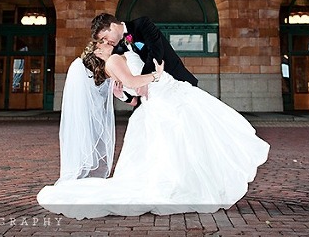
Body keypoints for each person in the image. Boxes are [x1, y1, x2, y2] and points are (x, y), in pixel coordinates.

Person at [37, 40, 270, 219]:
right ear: (97, 53)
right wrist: (155, 75)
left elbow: (133, 95)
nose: (108, 44)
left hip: (160, 102)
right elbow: (133, 83)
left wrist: (127, 94)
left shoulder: (117, 60)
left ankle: (185, 182)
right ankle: (182, 184)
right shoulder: (113, 62)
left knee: (181, 143)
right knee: (177, 145)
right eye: (103, 44)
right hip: (161, 104)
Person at [91, 13, 198, 106]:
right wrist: (123, 96)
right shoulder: (116, 51)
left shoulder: (142, 24)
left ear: (113, 26)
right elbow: (127, 81)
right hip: (150, 98)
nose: (106, 42)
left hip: (176, 82)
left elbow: (156, 52)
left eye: (105, 37)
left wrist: (143, 83)